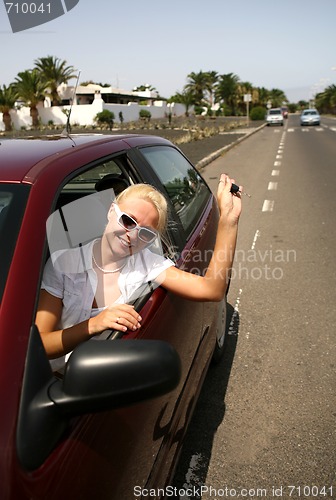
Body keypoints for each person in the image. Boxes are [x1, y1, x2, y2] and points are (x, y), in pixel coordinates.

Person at [36, 174, 242, 371]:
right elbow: (41, 343)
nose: (132, 235)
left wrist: (228, 222)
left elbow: (211, 289)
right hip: (50, 380)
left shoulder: (146, 264)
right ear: (111, 211)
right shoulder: (63, 263)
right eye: (128, 221)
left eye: (145, 234)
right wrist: (93, 324)